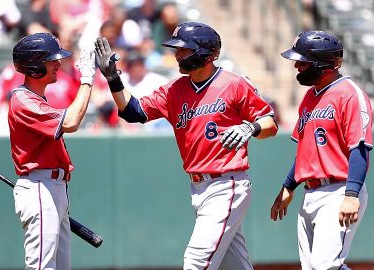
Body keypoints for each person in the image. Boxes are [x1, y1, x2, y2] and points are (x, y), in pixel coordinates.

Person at [95, 21, 278, 269]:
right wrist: (113, 77)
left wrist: (250, 127)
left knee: (196, 260)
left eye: (184, 49)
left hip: (227, 183)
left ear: (204, 52)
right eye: (177, 49)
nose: (176, 54)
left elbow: (270, 123)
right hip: (198, 188)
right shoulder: (175, 89)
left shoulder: (234, 83)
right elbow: (133, 111)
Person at [270, 31, 374, 270]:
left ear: (323, 64)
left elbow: (359, 148)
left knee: (325, 266)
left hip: (339, 191)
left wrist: (351, 194)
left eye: (303, 62)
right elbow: (307, 152)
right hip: (310, 192)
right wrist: (288, 187)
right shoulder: (309, 97)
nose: (296, 66)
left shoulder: (350, 94)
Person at [8, 32, 96, 269]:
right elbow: (71, 122)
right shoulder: (23, 100)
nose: (58, 63)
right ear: (34, 65)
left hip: (54, 188)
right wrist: (87, 79)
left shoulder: (38, 99)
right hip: (40, 188)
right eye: (51, 59)